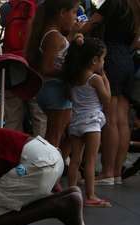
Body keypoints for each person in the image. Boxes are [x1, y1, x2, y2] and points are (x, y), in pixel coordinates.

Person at [81, 0, 140, 186]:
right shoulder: (136, 6)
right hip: (127, 60)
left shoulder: (113, 3)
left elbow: (89, 25)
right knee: (123, 118)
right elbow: (136, 40)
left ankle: (106, 171)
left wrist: (76, 33)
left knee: (110, 117)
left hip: (111, 57)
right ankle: (116, 172)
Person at [63, 37, 112, 207]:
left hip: (76, 122)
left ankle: (71, 192)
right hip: (92, 123)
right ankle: (90, 195)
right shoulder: (95, 79)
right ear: (94, 60)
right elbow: (107, 100)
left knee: (75, 159)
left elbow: (70, 97)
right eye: (103, 58)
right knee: (90, 161)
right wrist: (105, 78)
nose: (103, 62)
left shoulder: (74, 79)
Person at [27, 0, 82, 150]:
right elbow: (47, 67)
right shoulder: (53, 36)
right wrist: (71, 72)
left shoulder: (55, 35)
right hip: (54, 90)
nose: (75, 17)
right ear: (62, 13)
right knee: (53, 139)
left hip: (55, 90)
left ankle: (59, 164)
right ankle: (49, 169)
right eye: (73, 12)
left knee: (70, 132)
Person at [1, 0, 47, 135]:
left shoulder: (7, 7)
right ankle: (39, 152)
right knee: (38, 114)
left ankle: (12, 151)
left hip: (11, 63)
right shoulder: (42, 7)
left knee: (12, 115)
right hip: (33, 65)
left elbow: (3, 23)